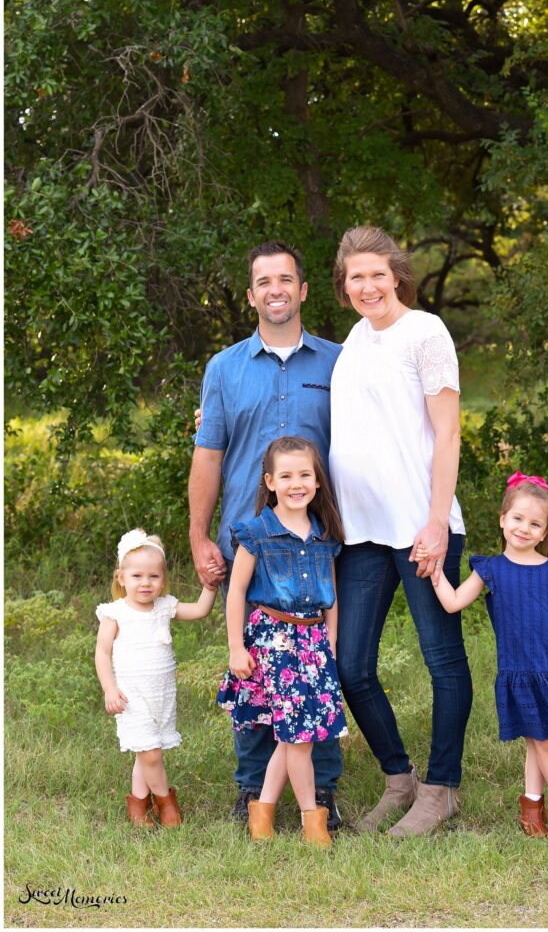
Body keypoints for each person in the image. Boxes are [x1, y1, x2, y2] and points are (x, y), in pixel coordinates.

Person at [188, 241, 344, 830]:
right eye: (263, 281)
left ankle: (322, 794)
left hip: (317, 543)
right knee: (253, 669)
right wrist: (201, 537)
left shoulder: (337, 363)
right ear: (251, 295)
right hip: (248, 543)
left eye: (286, 279)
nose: (275, 289)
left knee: (318, 668)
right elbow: (209, 455)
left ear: (303, 290)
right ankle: (253, 790)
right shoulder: (224, 368)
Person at [329, 225, 473, 837]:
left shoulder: (425, 332)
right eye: (354, 277)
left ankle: (441, 791)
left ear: (397, 275)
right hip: (359, 532)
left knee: (441, 659)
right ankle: (400, 780)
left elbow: (448, 433)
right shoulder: (352, 343)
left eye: (376, 274)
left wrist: (437, 521)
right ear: (344, 286)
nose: (367, 286)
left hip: (421, 525)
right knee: (350, 664)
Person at [419, 471, 548, 838]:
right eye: (517, 519)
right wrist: (435, 570)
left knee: (540, 740)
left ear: (544, 532)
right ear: (502, 520)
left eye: (534, 523)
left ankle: (533, 809)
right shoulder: (491, 570)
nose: (524, 528)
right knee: (541, 740)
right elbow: (453, 603)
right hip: (518, 671)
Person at [216, 436, 348, 846]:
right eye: (287, 476)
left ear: (317, 481)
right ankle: (312, 819)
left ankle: (263, 813)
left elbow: (332, 596)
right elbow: (236, 591)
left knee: (293, 734)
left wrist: (331, 643)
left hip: (311, 642)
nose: (297, 483)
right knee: (299, 736)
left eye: (305, 475)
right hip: (272, 640)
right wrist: (237, 647)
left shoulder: (324, 533)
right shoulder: (257, 532)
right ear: (270, 481)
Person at [95, 528, 219, 828]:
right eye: (137, 576)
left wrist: (211, 585)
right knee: (150, 753)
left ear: (163, 579)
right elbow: (101, 653)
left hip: (161, 694)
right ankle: (166, 803)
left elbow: (201, 610)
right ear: (121, 578)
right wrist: (109, 689)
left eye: (153, 576)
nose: (145, 583)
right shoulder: (116, 613)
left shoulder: (164, 607)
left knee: (147, 750)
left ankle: (138, 807)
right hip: (131, 695)